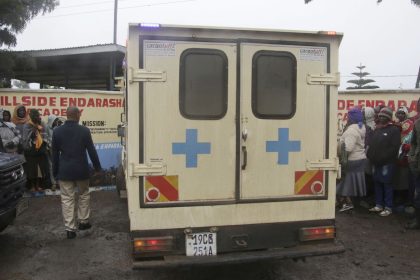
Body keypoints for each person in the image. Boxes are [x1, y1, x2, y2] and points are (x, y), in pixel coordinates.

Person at [52, 106, 102, 239]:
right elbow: (92, 151)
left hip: (65, 171)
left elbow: (54, 155)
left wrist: (55, 172)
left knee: (67, 199)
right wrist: (97, 168)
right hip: (81, 170)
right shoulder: (84, 131)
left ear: (66, 115)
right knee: (84, 195)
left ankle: (70, 229)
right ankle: (83, 222)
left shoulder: (57, 131)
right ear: (78, 115)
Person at [367, 107, 401, 217]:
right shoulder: (378, 129)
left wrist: (382, 158)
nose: (381, 117)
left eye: (384, 116)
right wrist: (370, 156)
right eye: (380, 115)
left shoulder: (394, 130)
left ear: (388, 118)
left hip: (387, 163)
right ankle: (379, 205)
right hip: (376, 163)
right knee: (377, 183)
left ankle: (388, 207)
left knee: (387, 184)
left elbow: (394, 148)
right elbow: (372, 145)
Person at [336, 107, 367, 212]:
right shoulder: (361, 127)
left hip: (351, 159)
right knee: (351, 183)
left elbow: (348, 148)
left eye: (348, 116)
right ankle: (348, 202)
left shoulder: (351, 130)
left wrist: (340, 156)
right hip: (360, 158)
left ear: (351, 117)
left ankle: (347, 203)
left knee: (345, 183)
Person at [22, 109, 50, 192]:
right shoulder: (27, 125)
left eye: (37, 115)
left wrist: (40, 134)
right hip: (31, 151)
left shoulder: (42, 124)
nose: (36, 117)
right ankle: (32, 186)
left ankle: (39, 185)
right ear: (31, 116)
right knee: (31, 170)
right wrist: (33, 131)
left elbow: (46, 135)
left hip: (41, 150)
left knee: (40, 170)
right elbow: (25, 139)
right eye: (34, 116)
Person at [393, 106, 414, 207]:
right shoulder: (399, 124)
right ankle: (399, 195)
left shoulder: (407, 124)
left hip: (405, 152)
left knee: (403, 176)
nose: (400, 115)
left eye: (402, 113)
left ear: (406, 114)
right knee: (399, 175)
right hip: (399, 151)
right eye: (399, 113)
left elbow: (405, 138)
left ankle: (402, 196)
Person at [46, 115, 65, 191]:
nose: (56, 122)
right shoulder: (47, 127)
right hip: (49, 150)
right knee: (51, 166)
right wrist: (50, 144)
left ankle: (60, 183)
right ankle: (53, 183)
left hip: (58, 150)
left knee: (59, 165)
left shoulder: (58, 128)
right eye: (55, 120)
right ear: (51, 121)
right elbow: (46, 138)